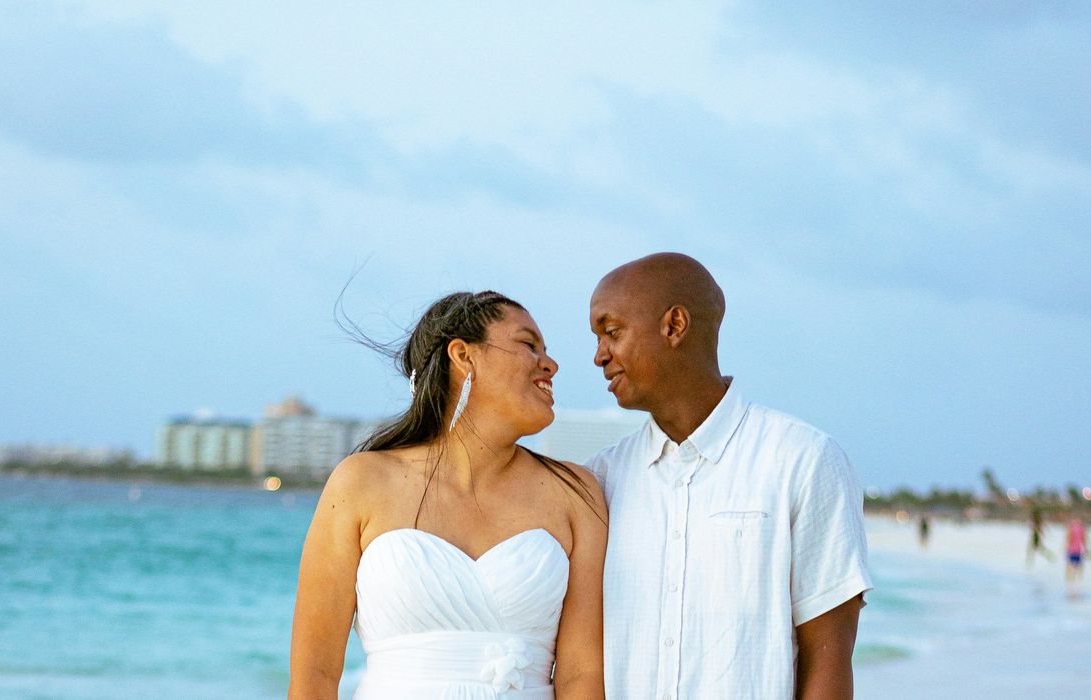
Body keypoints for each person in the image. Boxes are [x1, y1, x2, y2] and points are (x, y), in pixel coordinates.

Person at [289, 291, 608, 699]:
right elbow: (313, 677)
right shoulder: (360, 482)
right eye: (529, 344)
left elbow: (581, 676)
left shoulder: (576, 495)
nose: (551, 364)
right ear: (464, 356)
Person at [586, 253, 873, 700]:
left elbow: (829, 665)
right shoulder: (599, 481)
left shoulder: (804, 461)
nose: (599, 355)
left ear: (674, 326)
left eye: (611, 332)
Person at [1065, 516, 1089, 584]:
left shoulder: (1072, 528)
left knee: (1071, 565)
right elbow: (1084, 540)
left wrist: (1066, 547)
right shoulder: (1081, 528)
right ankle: (1075, 580)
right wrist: (1086, 549)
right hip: (1076, 549)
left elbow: (1068, 538)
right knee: (1077, 566)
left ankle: (1071, 580)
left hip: (1073, 549)